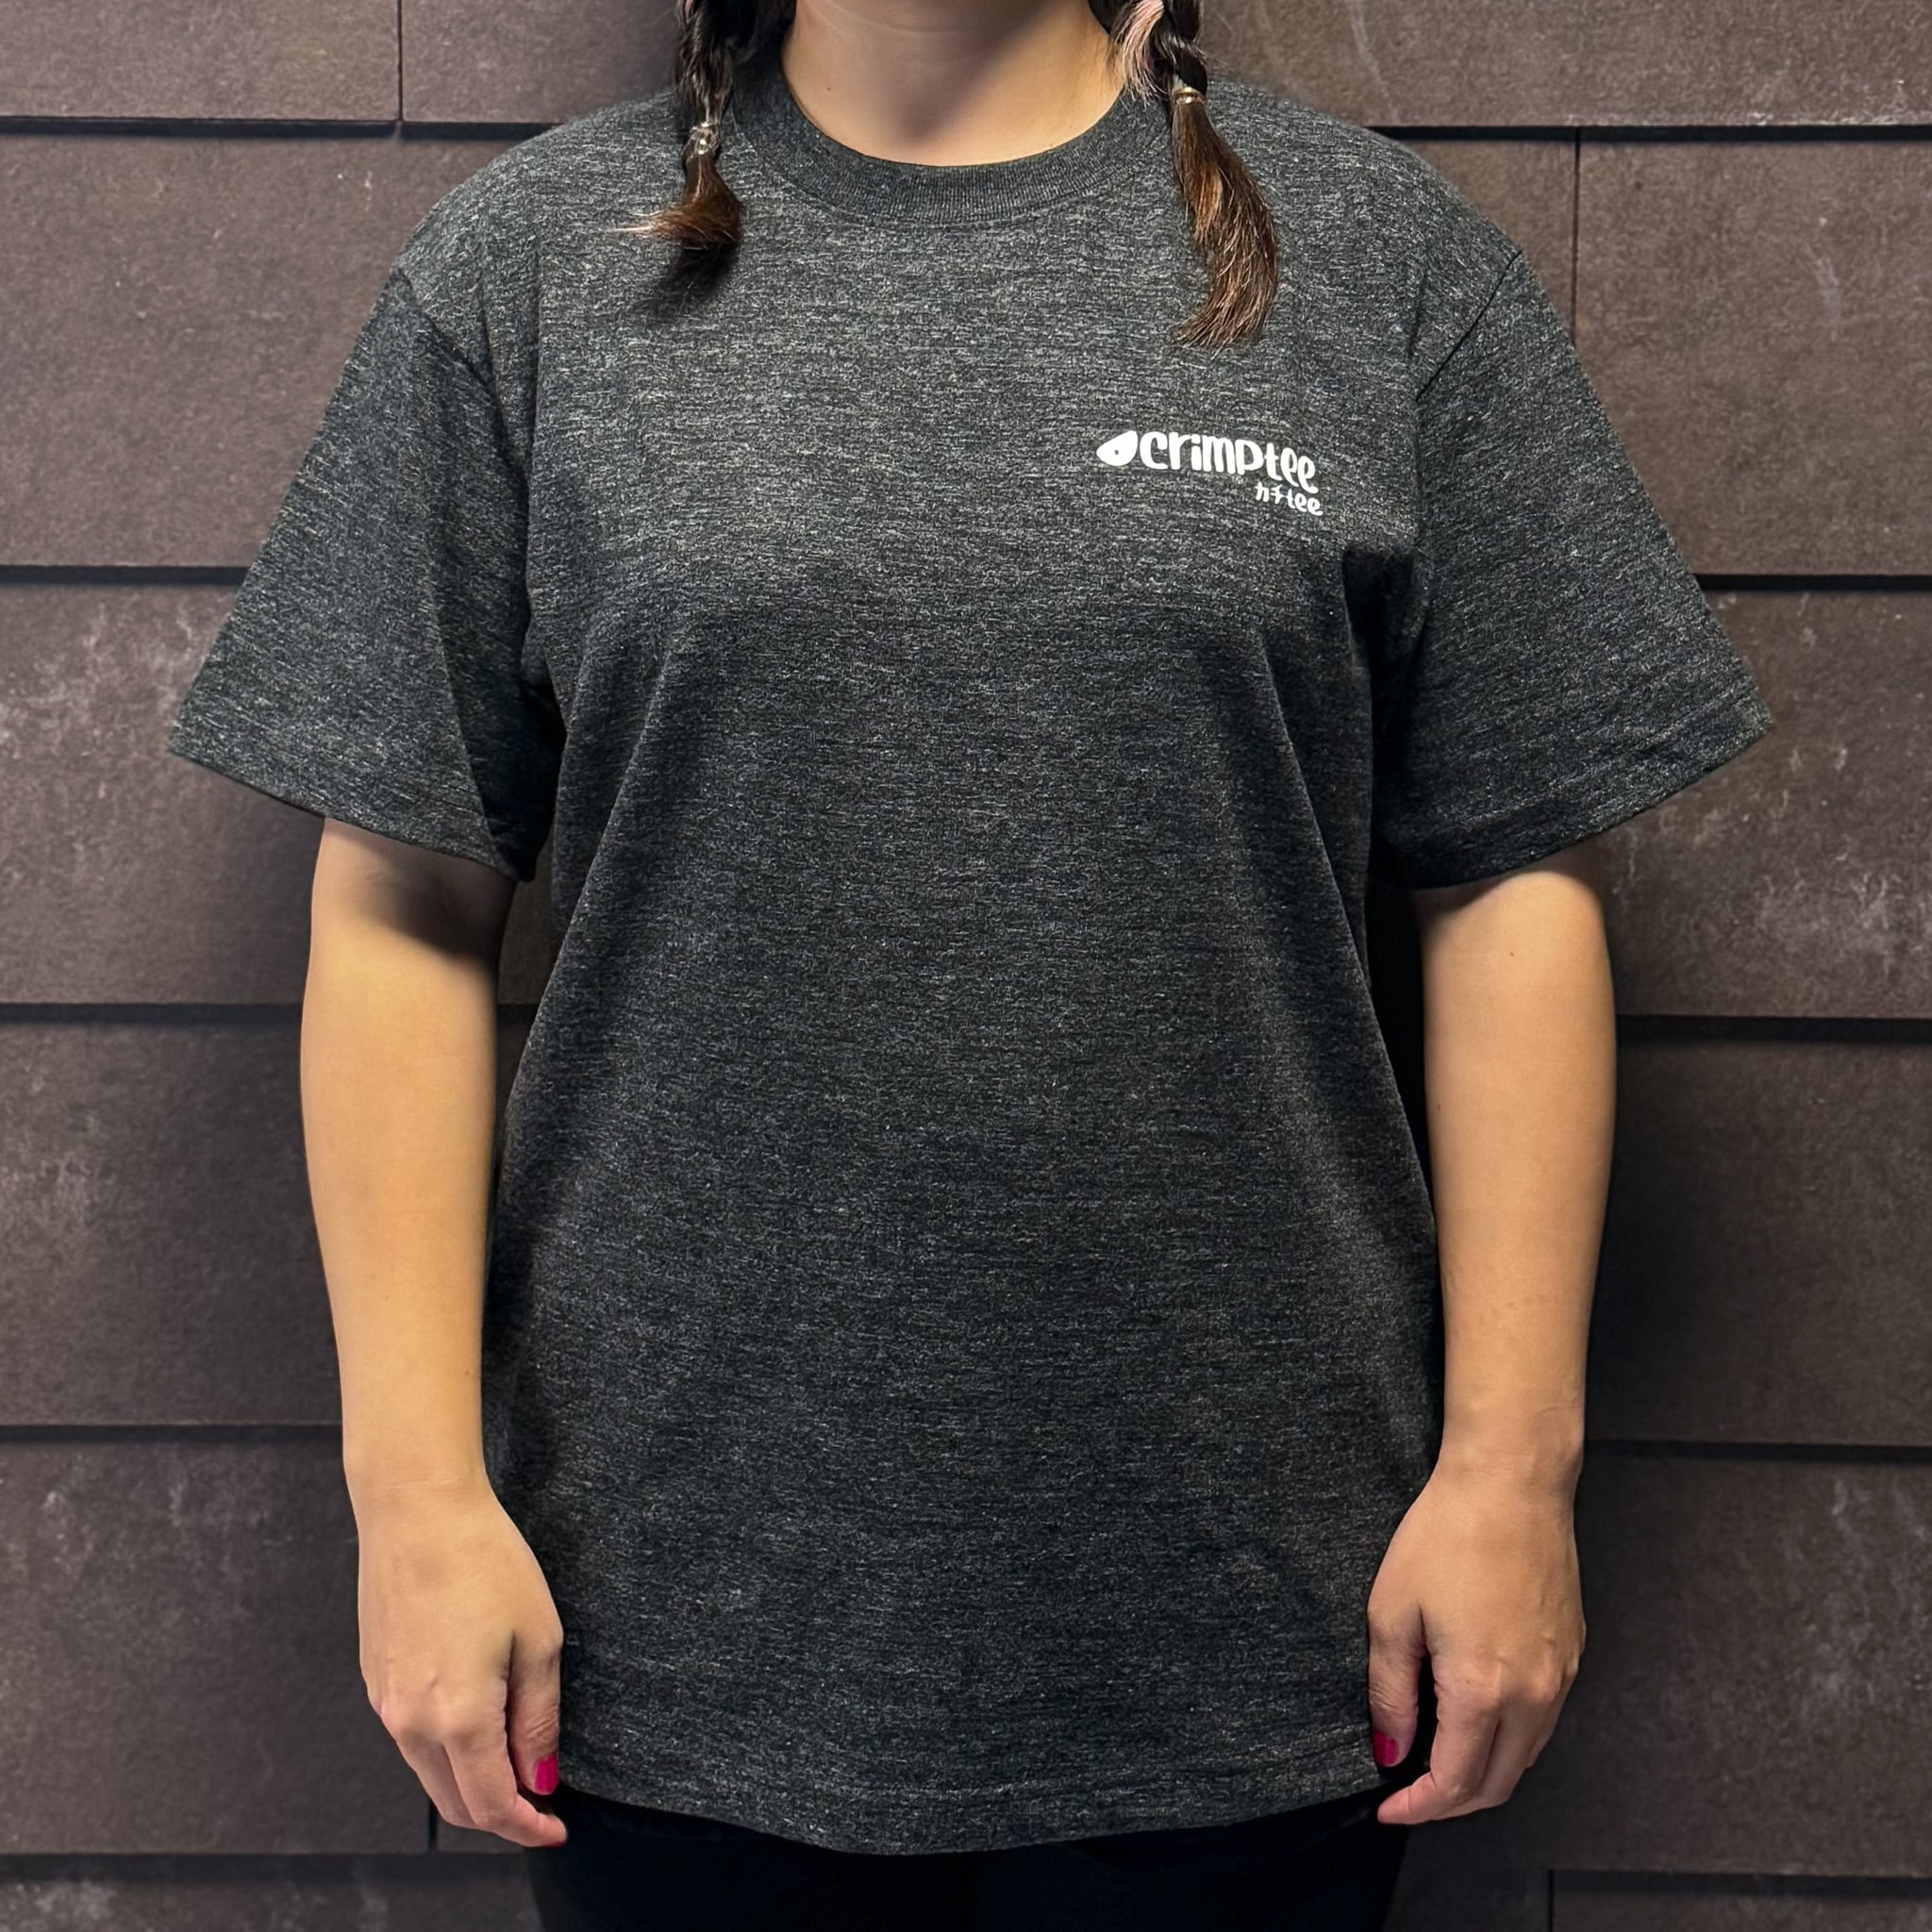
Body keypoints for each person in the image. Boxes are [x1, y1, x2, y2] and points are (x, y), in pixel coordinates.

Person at [163, 0, 1775, 1924]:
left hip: (1254, 1610)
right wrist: (415, 1496)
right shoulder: (523, 278)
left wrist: (1515, 1472)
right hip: (663, 1610)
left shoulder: (1384, 271)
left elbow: (1510, 886)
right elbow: (401, 909)